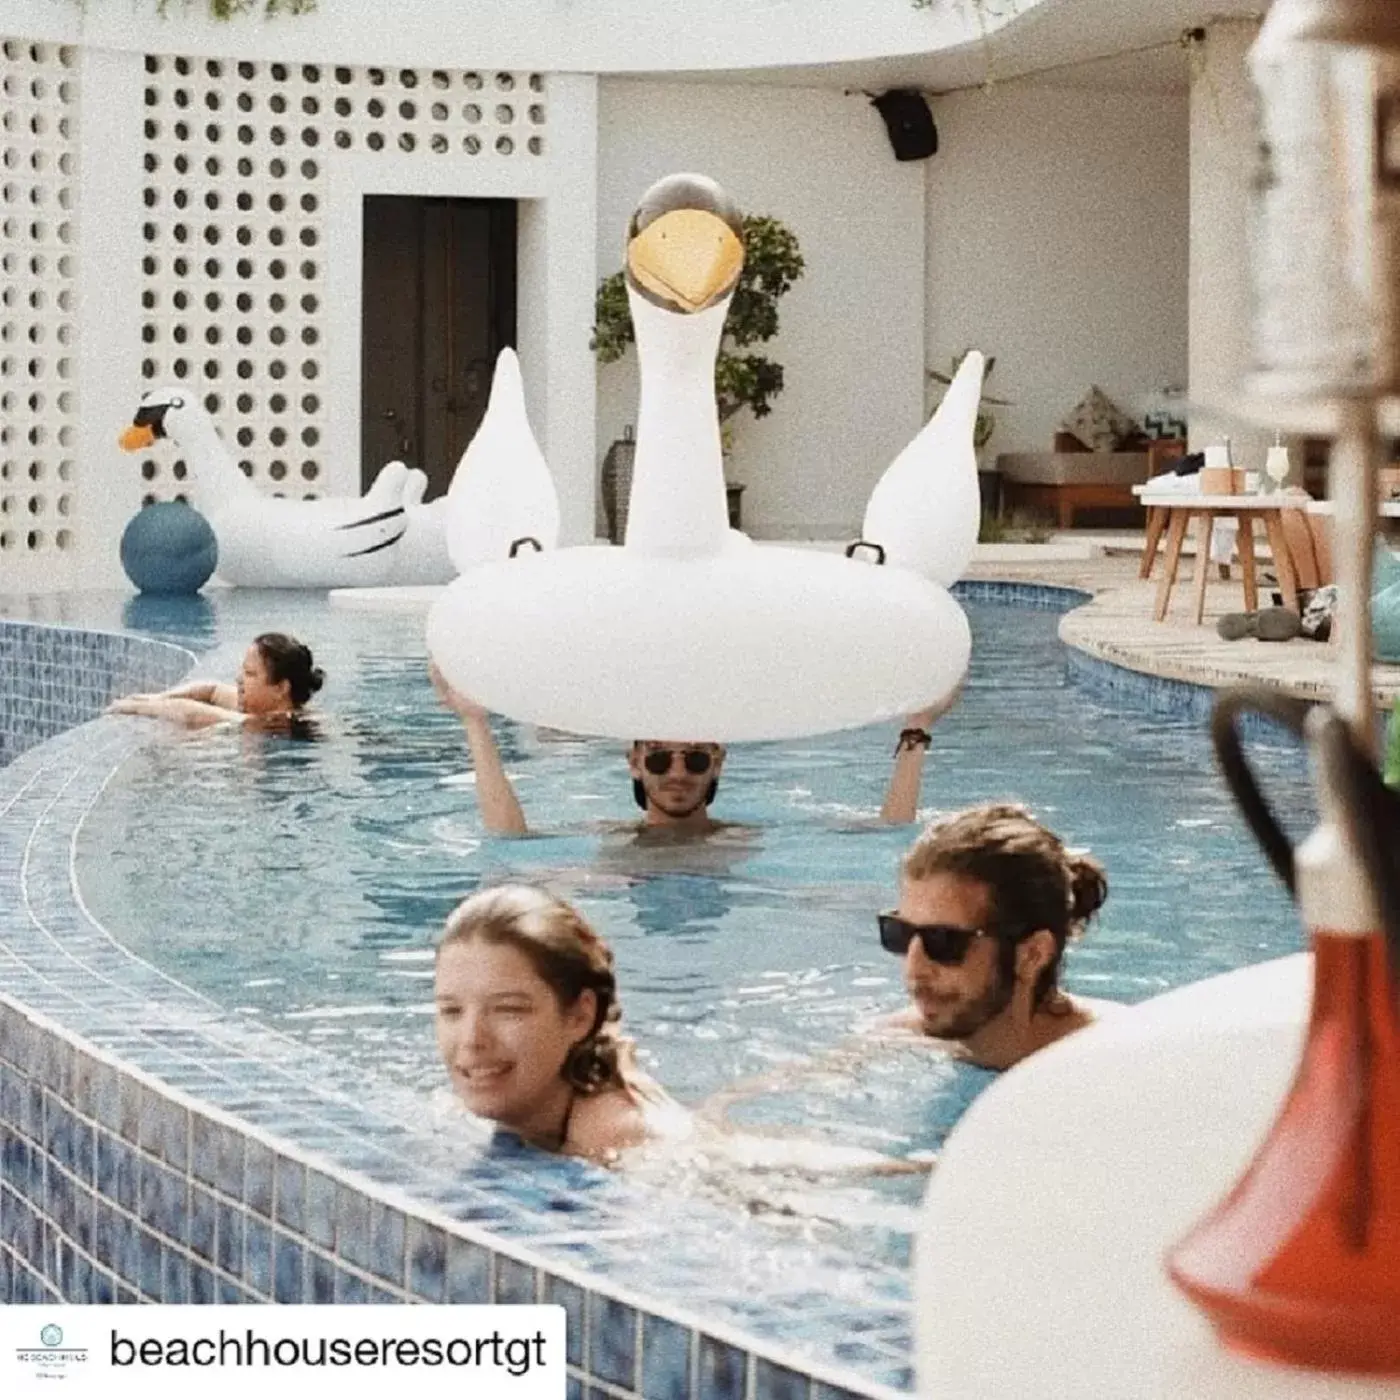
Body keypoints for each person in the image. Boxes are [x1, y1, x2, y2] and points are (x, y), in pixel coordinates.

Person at [429, 661, 958, 837]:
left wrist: (917, 728)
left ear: (718, 762)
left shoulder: (744, 842)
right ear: (634, 761)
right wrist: (475, 723)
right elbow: (507, 842)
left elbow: (890, 835)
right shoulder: (608, 843)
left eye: (695, 759)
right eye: (659, 758)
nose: (677, 773)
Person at [433, 883, 685, 1164]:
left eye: (508, 1009)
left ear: (580, 1017)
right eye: (451, 1010)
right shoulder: (518, 1107)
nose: (472, 1039)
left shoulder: (617, 1140)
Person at [876, 801, 1112, 1069]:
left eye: (943, 941)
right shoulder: (889, 1042)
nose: (914, 969)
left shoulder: (1115, 1055)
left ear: (1032, 954)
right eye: (899, 934)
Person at [108, 631, 324, 732]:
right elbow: (212, 690)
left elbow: (190, 713)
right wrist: (159, 697)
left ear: (281, 688)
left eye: (250, 674)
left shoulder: (270, 723)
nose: (239, 680)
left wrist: (136, 707)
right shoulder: (263, 707)